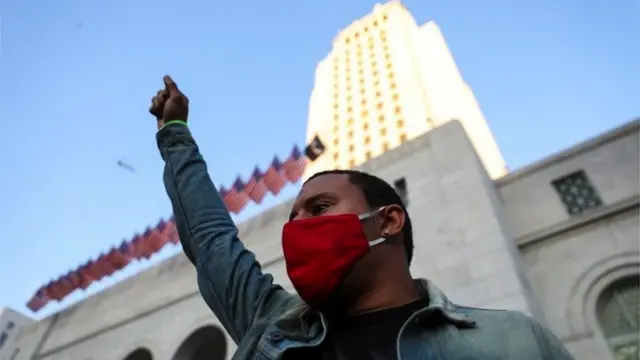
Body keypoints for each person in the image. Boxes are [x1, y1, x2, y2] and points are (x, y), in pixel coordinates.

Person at [150, 76, 575, 360]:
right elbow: (210, 238)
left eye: (319, 209)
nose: (297, 227)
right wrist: (175, 133)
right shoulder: (271, 324)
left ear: (388, 221)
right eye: (293, 216)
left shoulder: (513, 342)